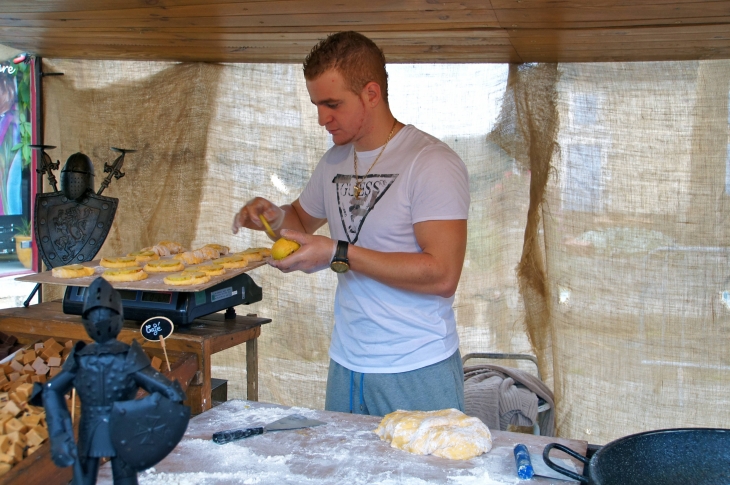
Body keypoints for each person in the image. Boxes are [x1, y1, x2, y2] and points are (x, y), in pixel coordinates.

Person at [232, 31, 470, 416]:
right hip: (346, 362)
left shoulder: (430, 162)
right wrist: (273, 217)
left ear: (371, 94)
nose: (322, 118)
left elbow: (442, 275)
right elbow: (299, 221)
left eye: (332, 104)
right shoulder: (334, 161)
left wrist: (338, 253)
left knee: (419, 478)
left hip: (416, 366)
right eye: (316, 104)